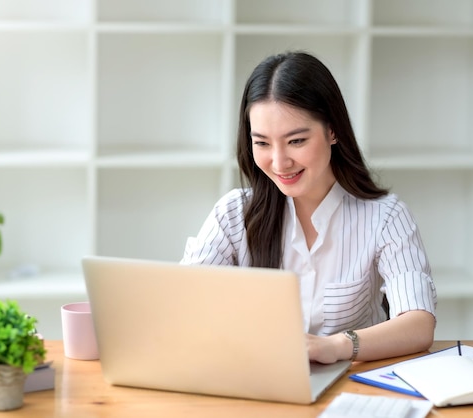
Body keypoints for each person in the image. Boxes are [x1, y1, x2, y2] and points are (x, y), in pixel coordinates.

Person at [181, 51, 437, 364]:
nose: (279, 162)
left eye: (296, 141)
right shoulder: (233, 214)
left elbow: (418, 325)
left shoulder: (384, 217)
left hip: (350, 387)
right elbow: (185, 304)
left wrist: (335, 347)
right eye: (261, 143)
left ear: (332, 131)